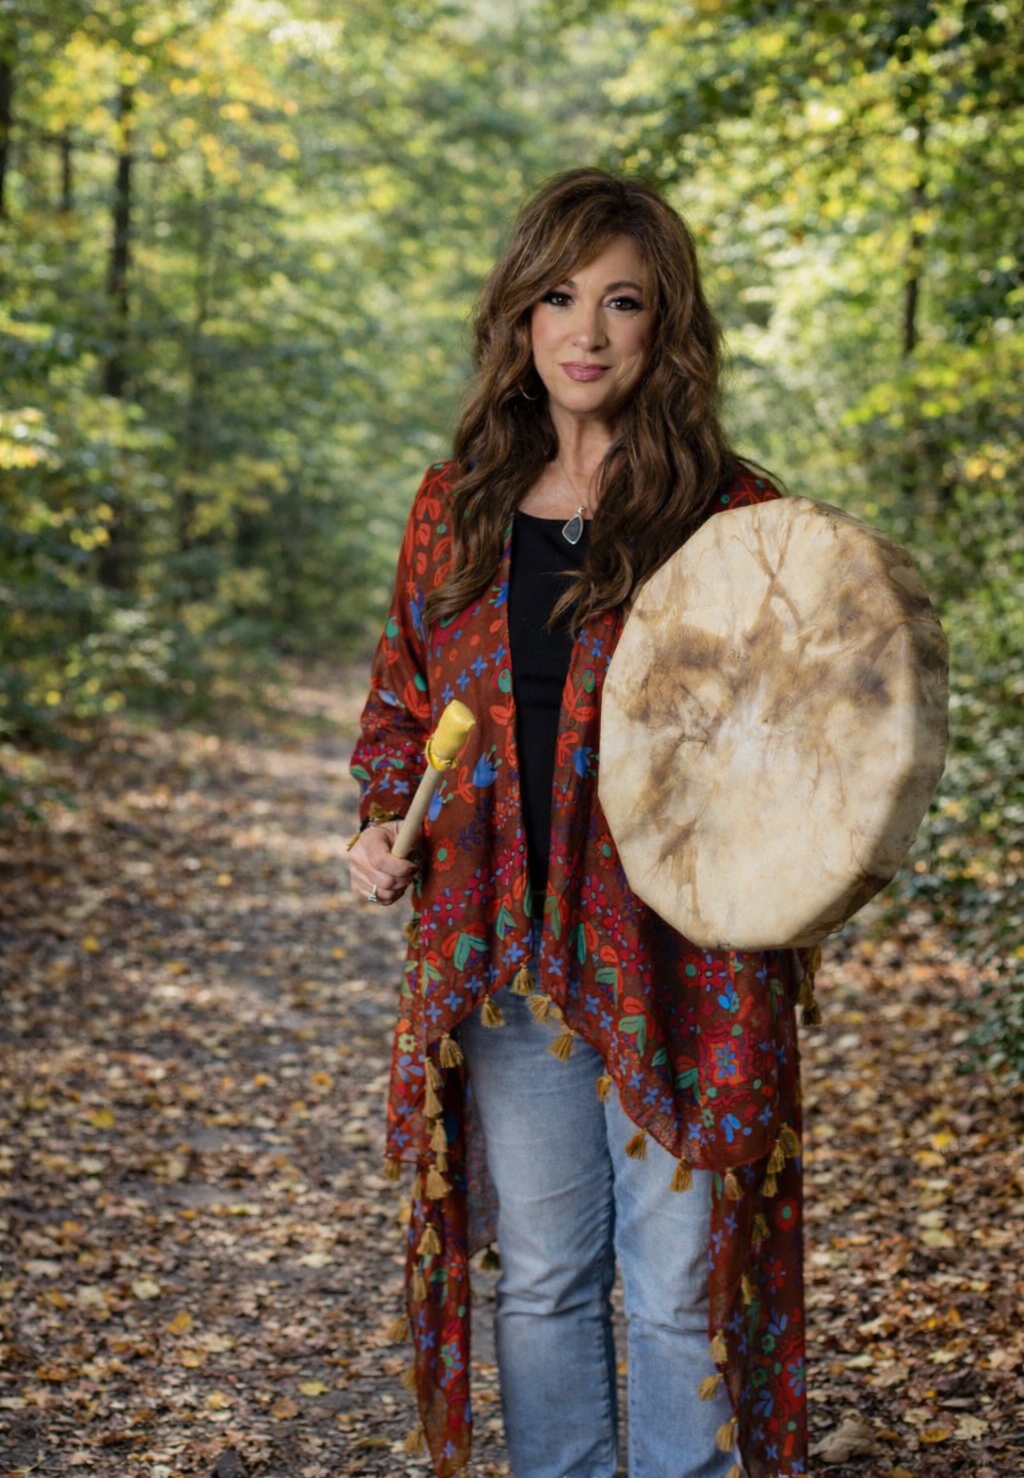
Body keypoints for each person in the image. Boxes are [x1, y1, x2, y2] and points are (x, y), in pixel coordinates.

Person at [346, 169, 808, 1478]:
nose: (587, 332)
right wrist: (389, 822)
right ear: (519, 315)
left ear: (668, 329)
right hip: (504, 965)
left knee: (674, 1293)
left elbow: (810, 753)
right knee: (544, 1281)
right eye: (559, 297)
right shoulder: (458, 509)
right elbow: (400, 717)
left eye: (624, 302)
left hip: (689, 963)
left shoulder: (734, 518)